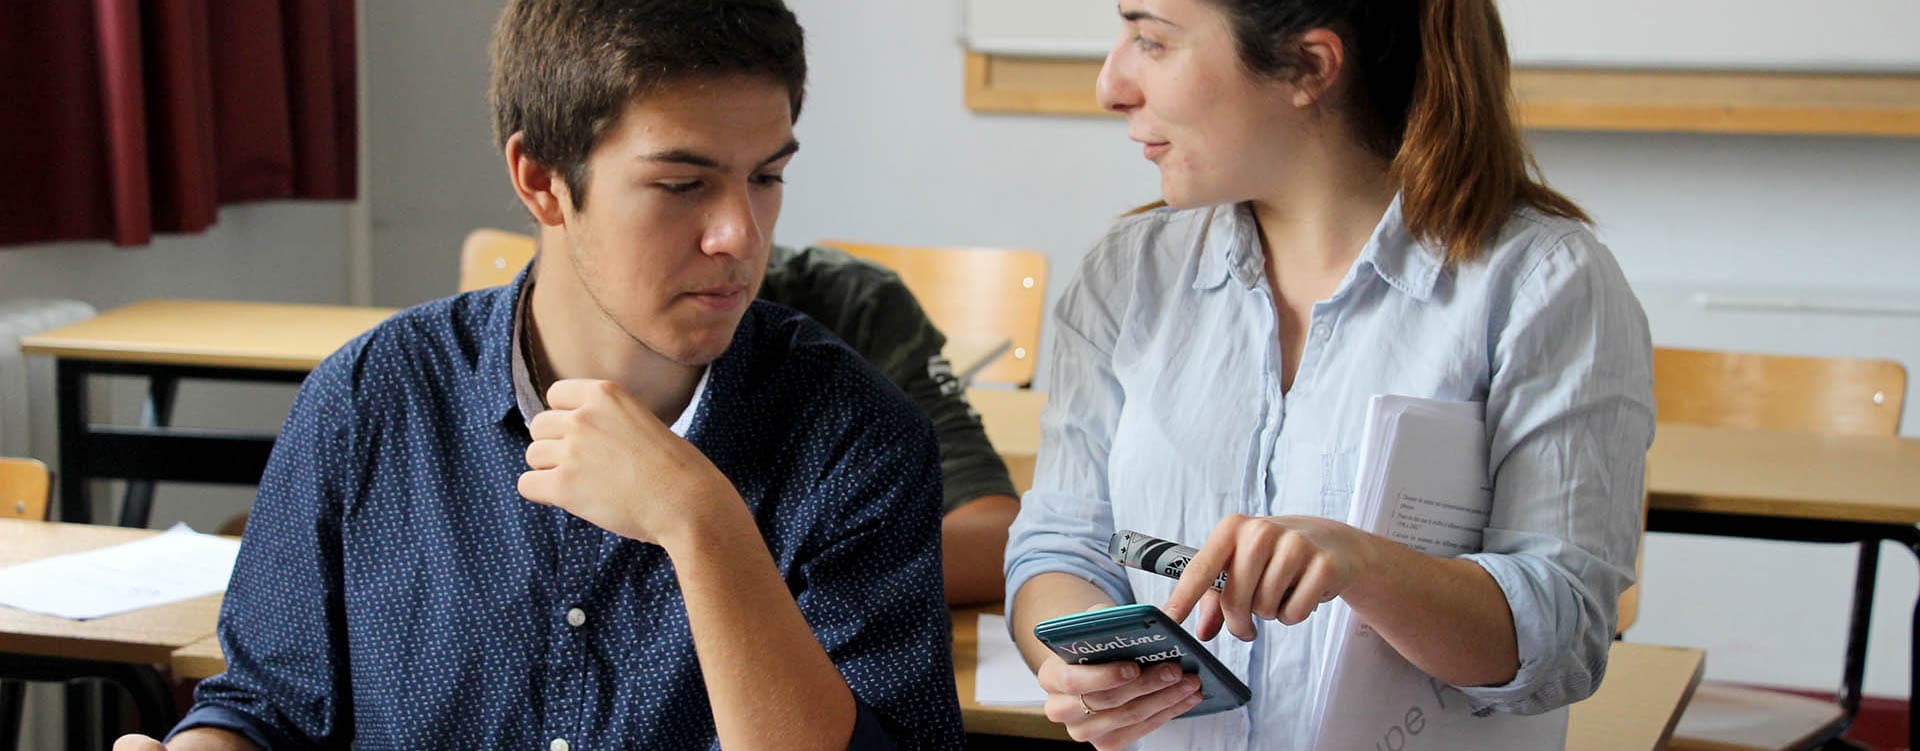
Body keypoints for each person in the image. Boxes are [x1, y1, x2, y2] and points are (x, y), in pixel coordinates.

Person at [116, 1, 963, 749]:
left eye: (767, 177)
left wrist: (702, 524)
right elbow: (268, 709)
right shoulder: (370, 397)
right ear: (541, 181)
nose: (740, 234)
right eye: (681, 184)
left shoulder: (857, 438)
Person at [1001, 0, 1654, 749]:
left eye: (1151, 39)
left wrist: (1366, 566)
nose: (1110, 86)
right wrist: (1083, 660)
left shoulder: (1545, 284)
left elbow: (1563, 642)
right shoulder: (1125, 272)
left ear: (1309, 67)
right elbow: (1064, 544)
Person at [760, 244, 1021, 605]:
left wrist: (763, 583)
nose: (738, 235)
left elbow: (996, 538)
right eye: (684, 195)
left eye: (764, 186)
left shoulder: (854, 305)